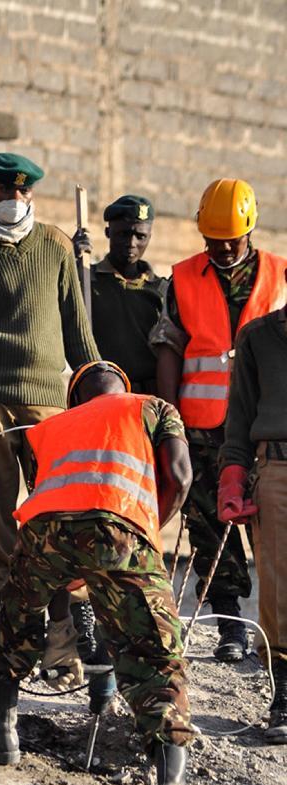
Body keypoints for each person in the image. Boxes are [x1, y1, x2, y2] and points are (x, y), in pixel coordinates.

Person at [0, 360, 220, 785]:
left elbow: (51, 495)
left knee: (17, 618)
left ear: (76, 398)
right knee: (156, 651)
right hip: (121, 529)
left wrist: (70, 569)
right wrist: (148, 532)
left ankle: (0, 734)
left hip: (44, 532)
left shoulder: (49, 427)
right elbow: (182, 474)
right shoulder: (153, 407)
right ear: (122, 388)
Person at [0, 152, 99, 603]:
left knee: (58, 512)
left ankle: (66, 616)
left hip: (50, 404)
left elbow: (78, 331)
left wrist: (97, 396)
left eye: (24, 190)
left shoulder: (56, 246)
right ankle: (6, 613)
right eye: (6, 188)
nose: (15, 197)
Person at [152, 178, 287, 662]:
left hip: (266, 428)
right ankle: (230, 623)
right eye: (213, 240)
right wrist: (171, 422)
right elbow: (168, 347)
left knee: (273, 535)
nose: (223, 248)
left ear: (250, 230)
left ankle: (274, 633)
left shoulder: (281, 274)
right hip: (204, 427)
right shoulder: (183, 278)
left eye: (231, 239)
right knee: (210, 527)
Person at [218, 304, 287, 743]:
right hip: (276, 469)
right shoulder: (258, 336)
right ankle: (285, 692)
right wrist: (233, 473)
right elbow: (239, 414)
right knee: (278, 583)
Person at [86, 194, 166, 394]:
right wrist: (71, 262)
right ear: (108, 232)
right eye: (123, 234)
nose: (131, 243)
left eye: (140, 236)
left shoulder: (162, 290)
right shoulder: (87, 281)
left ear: (150, 237)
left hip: (148, 399)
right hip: (102, 395)